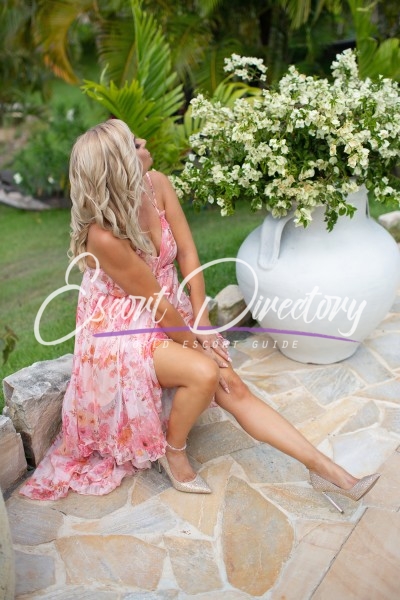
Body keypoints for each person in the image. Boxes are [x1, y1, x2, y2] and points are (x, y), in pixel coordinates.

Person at [19, 119, 379, 511]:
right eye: (135, 143)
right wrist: (198, 345)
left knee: (232, 386)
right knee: (206, 372)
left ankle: (330, 474)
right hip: (122, 328)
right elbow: (155, 306)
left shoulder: (157, 184)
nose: (144, 141)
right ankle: (173, 451)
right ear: (121, 164)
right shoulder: (102, 236)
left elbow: (188, 255)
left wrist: (203, 322)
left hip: (169, 307)